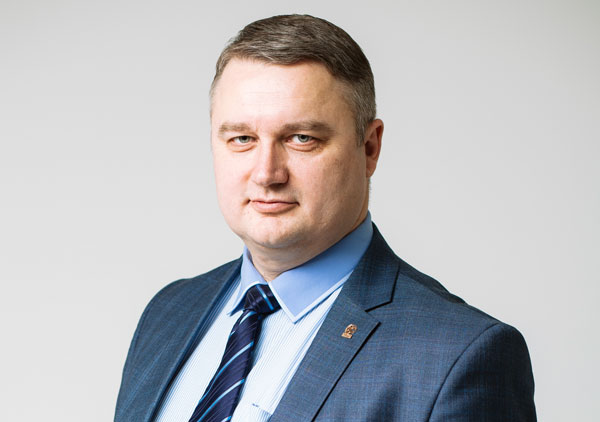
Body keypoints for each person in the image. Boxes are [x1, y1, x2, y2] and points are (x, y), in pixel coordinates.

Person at [114, 14, 536, 422]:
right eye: (242, 138)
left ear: (369, 148)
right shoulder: (168, 313)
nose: (266, 174)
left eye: (302, 138)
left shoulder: (457, 356)